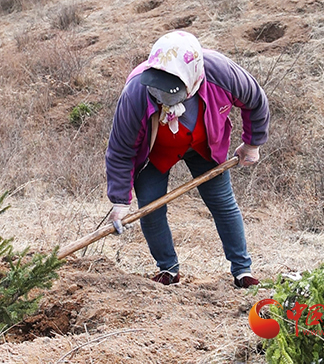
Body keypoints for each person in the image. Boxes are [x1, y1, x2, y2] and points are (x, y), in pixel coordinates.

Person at [105, 31, 269, 289]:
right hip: (155, 152)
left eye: (169, 93)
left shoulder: (220, 73)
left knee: (223, 203)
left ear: (191, 80)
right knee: (151, 209)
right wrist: (119, 200)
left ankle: (242, 271)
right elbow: (120, 150)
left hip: (205, 145)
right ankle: (167, 270)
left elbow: (256, 101)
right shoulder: (136, 92)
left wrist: (252, 143)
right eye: (156, 92)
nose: (160, 98)